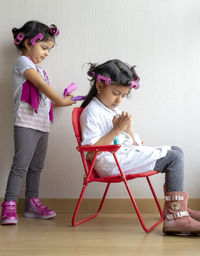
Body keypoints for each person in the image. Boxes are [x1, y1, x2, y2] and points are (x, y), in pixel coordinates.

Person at [80, 59, 200, 234]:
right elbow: (90, 153)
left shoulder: (113, 111)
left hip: (124, 156)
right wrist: (116, 130)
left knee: (176, 150)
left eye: (123, 95)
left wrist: (128, 130)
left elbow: (135, 144)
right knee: (174, 158)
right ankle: (176, 216)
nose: (119, 100)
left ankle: (173, 210)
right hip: (112, 163)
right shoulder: (92, 112)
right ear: (99, 85)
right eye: (115, 93)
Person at [1, 20, 76, 225]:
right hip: (25, 122)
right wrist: (58, 99)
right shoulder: (23, 63)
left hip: (42, 124)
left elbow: (45, 99)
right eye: (44, 47)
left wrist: (65, 101)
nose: (46, 53)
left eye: (49, 50)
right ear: (27, 43)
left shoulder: (41, 71)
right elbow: (40, 86)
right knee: (20, 165)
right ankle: (8, 204)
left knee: (36, 166)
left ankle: (32, 203)